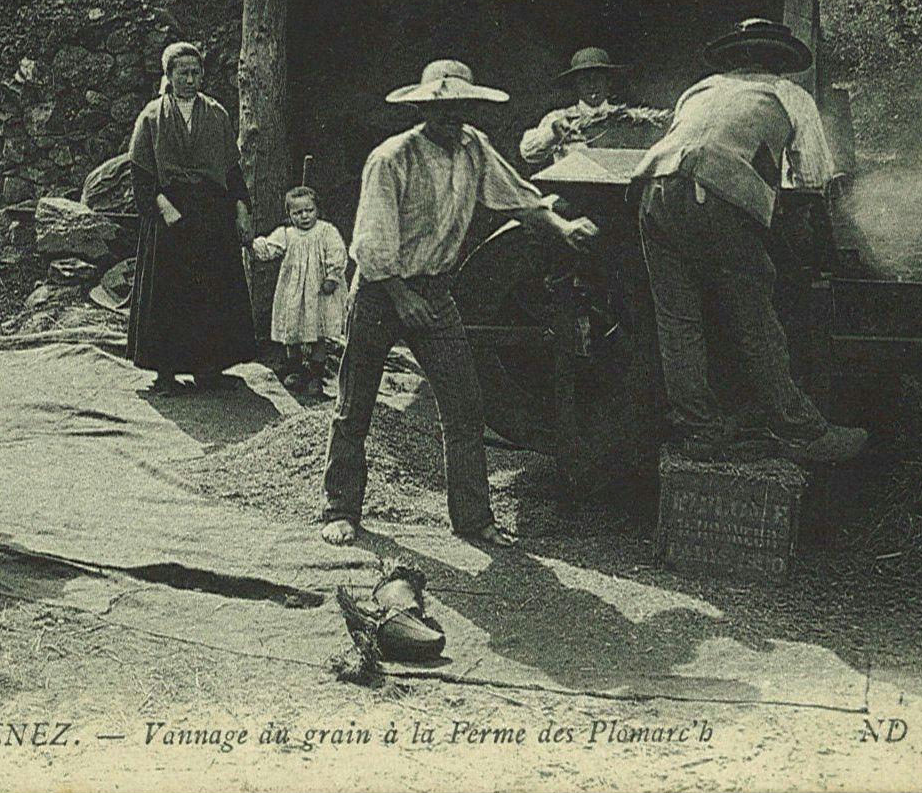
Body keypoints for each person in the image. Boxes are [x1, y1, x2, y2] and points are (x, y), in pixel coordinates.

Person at [321, 60, 600, 548]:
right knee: (355, 405)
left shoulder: (474, 147)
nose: (452, 116)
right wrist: (401, 296)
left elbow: (518, 198)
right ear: (424, 109)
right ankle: (341, 509)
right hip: (382, 293)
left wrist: (562, 227)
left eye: (460, 107)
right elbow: (370, 244)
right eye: (442, 108)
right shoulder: (393, 158)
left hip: (435, 291)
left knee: (466, 408)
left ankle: (473, 519)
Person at [633, 18, 866, 462]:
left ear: (736, 57)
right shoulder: (790, 95)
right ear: (779, 61)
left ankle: (700, 432)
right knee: (754, 315)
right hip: (717, 197)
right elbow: (813, 180)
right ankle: (800, 430)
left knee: (678, 321)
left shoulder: (699, 90)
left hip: (654, 190)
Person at [127, 41, 256, 392]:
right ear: (168, 75)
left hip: (211, 213)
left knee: (212, 290)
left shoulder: (216, 114)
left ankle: (208, 368)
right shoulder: (151, 117)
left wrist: (240, 209)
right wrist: (164, 208)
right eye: (182, 73)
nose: (189, 79)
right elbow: (141, 171)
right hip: (169, 214)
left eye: (195, 72)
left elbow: (231, 170)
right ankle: (166, 372)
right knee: (168, 292)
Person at [250, 186, 348, 397]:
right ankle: (295, 370)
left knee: (317, 334)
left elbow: (337, 253)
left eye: (309, 210)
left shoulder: (326, 231)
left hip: (317, 293)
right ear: (290, 214)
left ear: (317, 209)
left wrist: (332, 276)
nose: (304, 216)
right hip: (293, 292)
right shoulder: (287, 234)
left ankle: (316, 376)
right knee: (292, 331)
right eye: (297, 212)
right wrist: (253, 244)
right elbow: (269, 248)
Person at [519, 46, 669, 168]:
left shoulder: (627, 118)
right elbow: (528, 153)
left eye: (598, 78)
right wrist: (553, 134)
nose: (592, 85)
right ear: (576, 85)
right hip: (573, 192)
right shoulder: (560, 119)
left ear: (609, 82)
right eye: (585, 80)